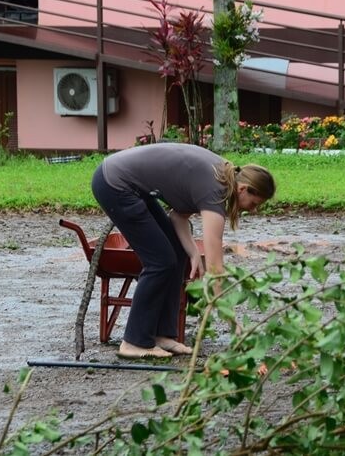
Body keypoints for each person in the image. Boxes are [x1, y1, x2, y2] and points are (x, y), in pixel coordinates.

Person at [91, 142, 276, 359]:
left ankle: (162, 335)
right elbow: (216, 269)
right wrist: (233, 323)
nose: (252, 210)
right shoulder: (215, 191)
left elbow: (178, 217)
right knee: (160, 262)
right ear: (242, 189)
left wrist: (192, 253)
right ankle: (134, 342)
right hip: (114, 184)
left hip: (132, 186)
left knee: (176, 254)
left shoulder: (222, 178)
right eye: (254, 203)